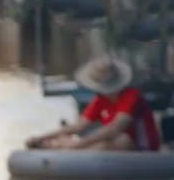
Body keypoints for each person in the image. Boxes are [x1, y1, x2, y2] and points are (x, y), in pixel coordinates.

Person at [25, 56, 161, 152]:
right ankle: (59, 147)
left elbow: (114, 128)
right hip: (113, 143)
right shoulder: (101, 99)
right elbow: (79, 126)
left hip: (141, 146)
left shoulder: (131, 96)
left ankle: (65, 149)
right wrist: (43, 136)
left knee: (120, 140)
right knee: (87, 140)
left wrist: (78, 145)